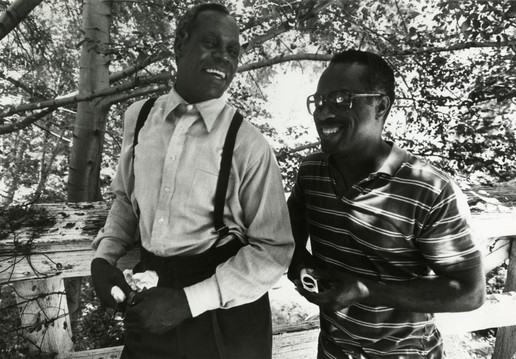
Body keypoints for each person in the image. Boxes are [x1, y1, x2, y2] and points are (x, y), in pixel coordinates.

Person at [90, 3, 294, 358]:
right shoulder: (138, 119)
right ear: (180, 45)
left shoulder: (249, 144)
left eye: (233, 50)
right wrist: (104, 260)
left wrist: (188, 302)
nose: (224, 57)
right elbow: (126, 199)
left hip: (223, 317)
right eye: (211, 43)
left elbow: (275, 250)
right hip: (150, 303)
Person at [287, 49, 486, 359]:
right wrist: (298, 262)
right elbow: (288, 229)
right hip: (332, 350)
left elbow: (470, 293)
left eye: (341, 99)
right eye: (320, 101)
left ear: (380, 105)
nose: (324, 112)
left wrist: (365, 290)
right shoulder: (311, 172)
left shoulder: (428, 188)